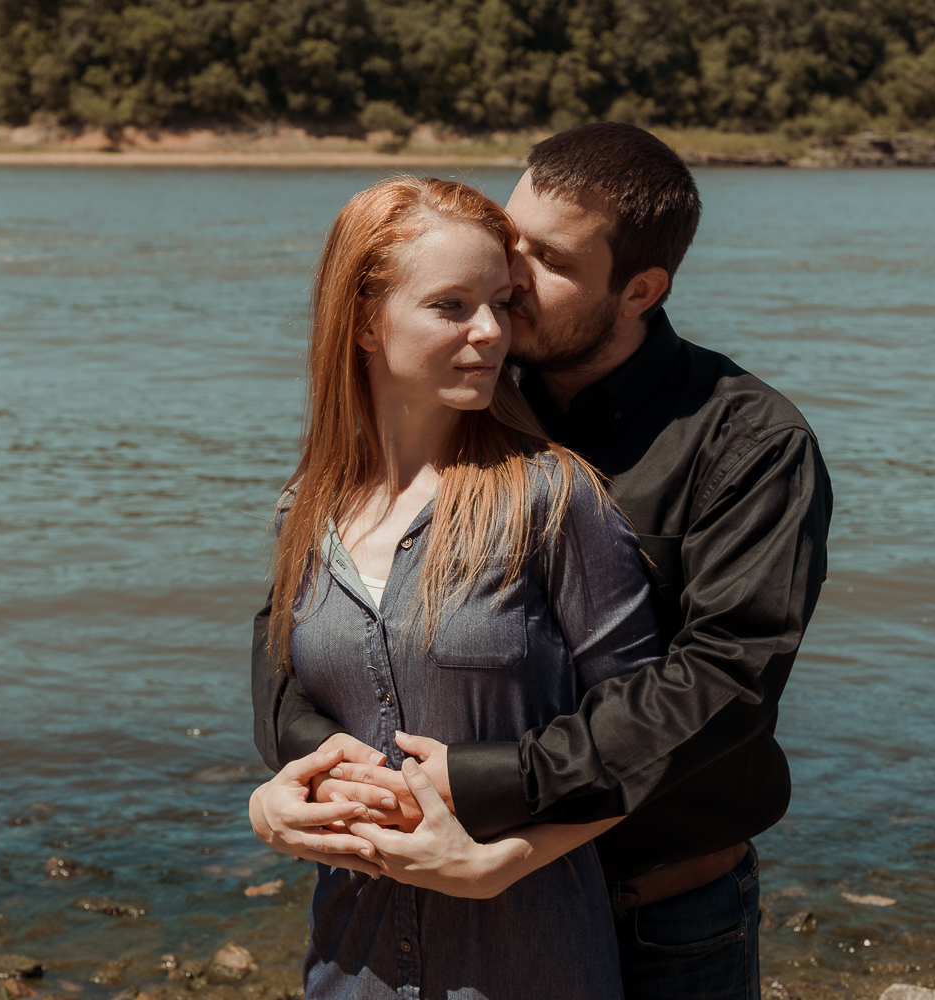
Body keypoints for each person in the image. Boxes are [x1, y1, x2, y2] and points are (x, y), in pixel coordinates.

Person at [253, 123, 833, 1000]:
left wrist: (494, 798)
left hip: (661, 908)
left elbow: (722, 687)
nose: (509, 279)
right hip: (430, 909)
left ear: (641, 289)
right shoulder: (464, 392)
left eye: (549, 260)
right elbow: (296, 633)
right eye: (511, 238)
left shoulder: (746, 441)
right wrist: (299, 774)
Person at [247, 174, 667, 999]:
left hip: (528, 961)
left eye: (502, 304)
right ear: (365, 321)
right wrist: (270, 809)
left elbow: (645, 735)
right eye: (451, 306)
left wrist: (493, 863)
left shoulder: (553, 497)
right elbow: (296, 711)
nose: (492, 334)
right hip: (348, 965)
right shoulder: (305, 511)